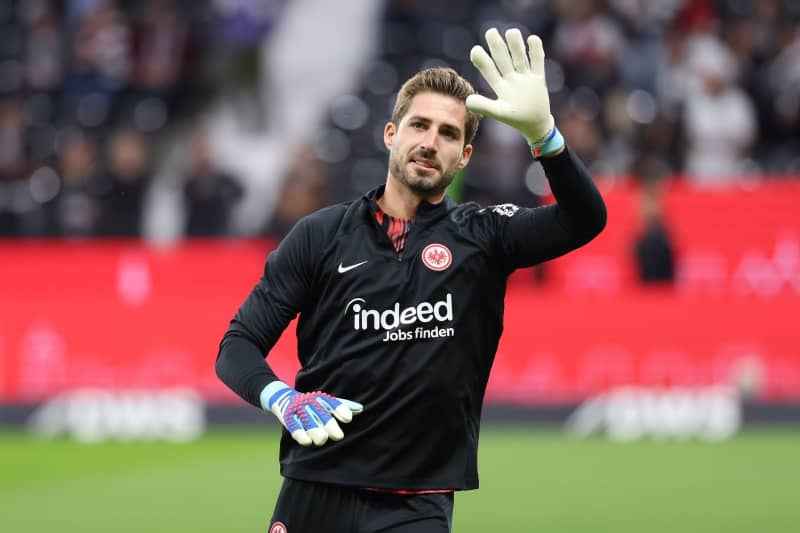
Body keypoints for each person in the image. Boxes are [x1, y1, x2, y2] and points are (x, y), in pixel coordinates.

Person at [216, 28, 606, 532]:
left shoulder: (485, 236)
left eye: (448, 134)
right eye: (419, 125)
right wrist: (282, 399)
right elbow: (238, 344)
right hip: (314, 489)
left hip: (414, 505)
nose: (430, 142)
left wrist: (545, 137)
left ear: (464, 156)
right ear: (390, 135)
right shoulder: (320, 235)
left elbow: (585, 219)